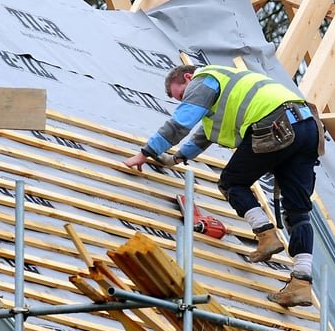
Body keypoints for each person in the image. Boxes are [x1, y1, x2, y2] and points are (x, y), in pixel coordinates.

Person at [122, 62, 322, 307]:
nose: (185, 101)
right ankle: (301, 283)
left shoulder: (204, 79)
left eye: (182, 95)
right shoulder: (228, 86)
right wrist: (176, 158)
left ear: (188, 77)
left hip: (275, 123)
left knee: (231, 183)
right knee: (298, 212)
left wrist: (145, 153)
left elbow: (181, 123)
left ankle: (266, 235)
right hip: (308, 125)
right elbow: (205, 134)